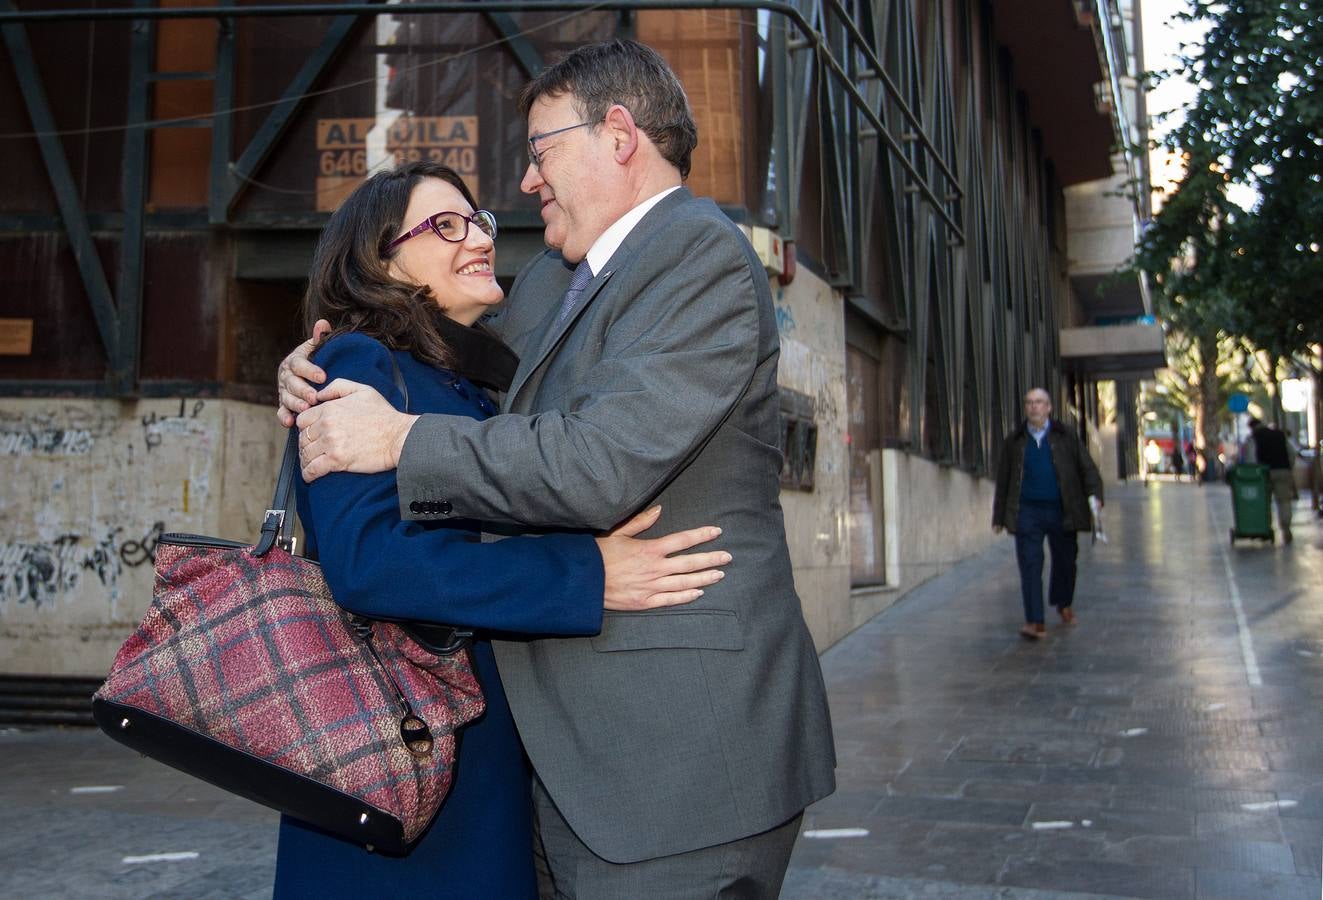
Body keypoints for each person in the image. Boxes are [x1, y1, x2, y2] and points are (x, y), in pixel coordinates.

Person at [278, 39, 835, 899]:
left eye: (540, 152)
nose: (527, 186)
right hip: (558, 772)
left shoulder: (700, 255)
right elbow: (425, 351)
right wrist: (319, 354)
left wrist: (399, 441)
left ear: (618, 135)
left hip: (676, 767)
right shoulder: (551, 281)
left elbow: (601, 460)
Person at [274, 161, 733, 898]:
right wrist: (586, 575)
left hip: (469, 749)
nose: (478, 238)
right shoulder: (359, 361)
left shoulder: (472, 383)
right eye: (444, 226)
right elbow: (369, 564)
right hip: (391, 746)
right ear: (377, 259)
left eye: (478, 221)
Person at [992, 388, 1104, 640]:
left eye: (1039, 402)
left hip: (1062, 510)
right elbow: (1004, 480)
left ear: (1049, 407)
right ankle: (1035, 621)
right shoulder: (1015, 441)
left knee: (1066, 562)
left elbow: (1087, 467)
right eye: (1029, 402)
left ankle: (1063, 603)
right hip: (1027, 512)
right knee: (1030, 564)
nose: (1034, 407)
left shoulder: (1066, 436)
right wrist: (999, 516)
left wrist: (1095, 495)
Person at [1243, 416, 1297, 543]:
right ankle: (1286, 528)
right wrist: (1288, 467)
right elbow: (1292, 453)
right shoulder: (1279, 434)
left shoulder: (1254, 438)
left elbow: (1251, 458)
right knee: (1284, 501)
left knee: (1264, 502)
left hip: (1264, 474)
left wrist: (1253, 473)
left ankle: (1266, 528)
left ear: (1251, 427)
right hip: (1283, 471)